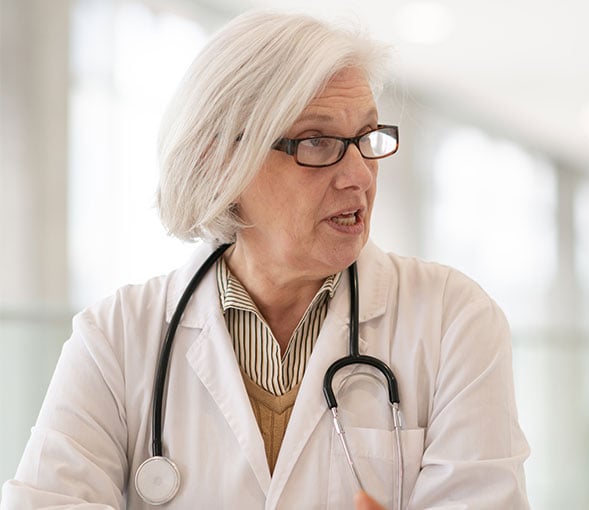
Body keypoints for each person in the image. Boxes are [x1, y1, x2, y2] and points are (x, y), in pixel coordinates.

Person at [1, 10, 530, 509]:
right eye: (317, 142)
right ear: (221, 162)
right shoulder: (115, 339)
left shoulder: (453, 320)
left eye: (366, 138)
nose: (359, 176)